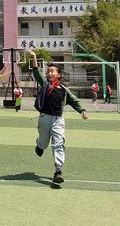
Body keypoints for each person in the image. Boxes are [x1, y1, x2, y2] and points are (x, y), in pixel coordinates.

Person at [29, 50, 88, 184]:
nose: (49, 73)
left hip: (58, 120)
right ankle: (39, 145)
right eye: (48, 71)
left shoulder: (63, 89)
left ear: (59, 74)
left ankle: (58, 170)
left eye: (52, 71)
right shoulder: (45, 84)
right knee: (44, 142)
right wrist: (33, 57)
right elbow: (37, 72)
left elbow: (73, 100)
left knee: (58, 143)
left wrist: (82, 110)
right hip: (44, 118)